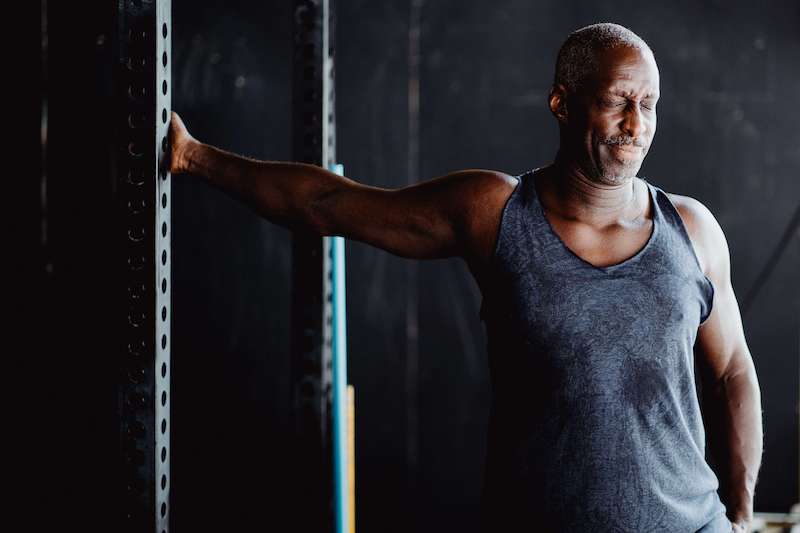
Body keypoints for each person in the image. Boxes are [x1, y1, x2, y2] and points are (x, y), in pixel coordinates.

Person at [167, 22, 762, 533]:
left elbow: (734, 369)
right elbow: (325, 204)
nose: (636, 123)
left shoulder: (693, 232)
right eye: (617, 100)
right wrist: (195, 157)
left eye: (650, 103)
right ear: (563, 102)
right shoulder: (495, 213)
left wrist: (739, 515)